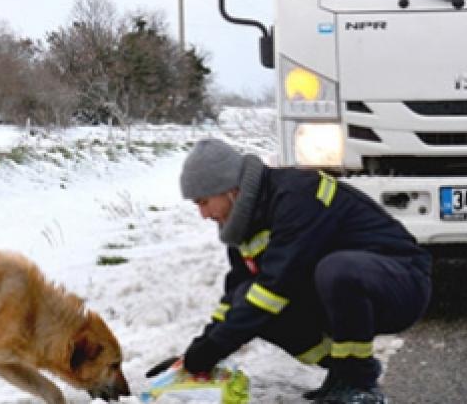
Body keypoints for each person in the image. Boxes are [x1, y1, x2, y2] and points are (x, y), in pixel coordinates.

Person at [149, 138, 432, 404]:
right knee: (250, 300)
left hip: (401, 283)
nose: (203, 214)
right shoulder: (241, 222)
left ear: (229, 190)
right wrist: (196, 353)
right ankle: (340, 372)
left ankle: (359, 383)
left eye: (203, 202)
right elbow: (237, 296)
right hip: (343, 288)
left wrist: (213, 350)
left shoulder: (296, 196)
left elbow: (276, 286)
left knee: (333, 272)